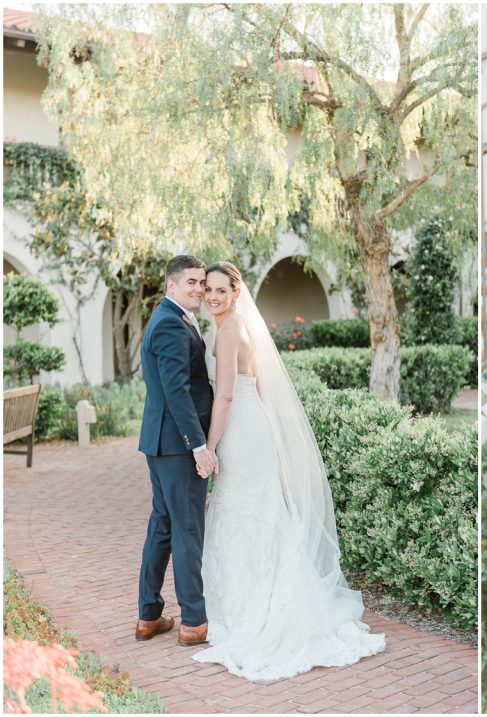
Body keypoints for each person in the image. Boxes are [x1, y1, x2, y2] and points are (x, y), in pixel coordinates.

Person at [192, 261, 385, 681]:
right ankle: (259, 597)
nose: (212, 296)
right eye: (208, 288)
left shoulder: (228, 331)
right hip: (253, 427)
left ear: (236, 292)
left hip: (240, 432)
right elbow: (256, 384)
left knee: (245, 514)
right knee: (258, 514)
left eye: (221, 290)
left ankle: (253, 608)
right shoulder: (239, 326)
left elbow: (224, 397)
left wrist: (208, 446)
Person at [135, 255, 217, 648]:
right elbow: (177, 391)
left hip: (162, 442)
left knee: (164, 526)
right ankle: (194, 621)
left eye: (202, 282)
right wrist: (198, 445)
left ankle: (149, 615)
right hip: (176, 445)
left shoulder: (172, 316)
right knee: (186, 530)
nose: (199, 288)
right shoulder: (170, 322)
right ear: (171, 285)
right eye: (192, 282)